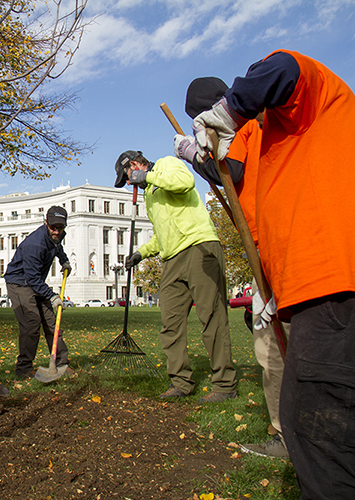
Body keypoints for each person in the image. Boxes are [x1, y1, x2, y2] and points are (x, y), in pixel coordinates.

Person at [189, 50, 355, 499]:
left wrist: (227, 113)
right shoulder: (272, 140)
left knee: (322, 438)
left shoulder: (311, 105)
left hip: (333, 286)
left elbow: (284, 68)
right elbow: (237, 184)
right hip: (304, 291)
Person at [175, 76, 288, 458]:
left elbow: (231, 173)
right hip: (268, 241)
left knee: (274, 344)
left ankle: (288, 433)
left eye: (198, 116)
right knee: (276, 339)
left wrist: (194, 156)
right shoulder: (251, 126)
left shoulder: (242, 128)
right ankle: (289, 430)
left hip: (276, 245)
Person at [114, 150, 237, 402]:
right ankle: (181, 381)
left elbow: (185, 183)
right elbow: (161, 234)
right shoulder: (150, 194)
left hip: (199, 246)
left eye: (126, 176)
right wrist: (141, 252)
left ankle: (225, 385)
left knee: (211, 318)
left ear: (134, 164)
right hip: (172, 258)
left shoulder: (167, 165)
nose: (128, 182)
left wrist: (146, 176)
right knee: (170, 322)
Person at [3, 206, 72, 379]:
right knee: (31, 322)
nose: (56, 231)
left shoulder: (56, 236)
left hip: (35, 281)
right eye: (53, 227)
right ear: (46, 222)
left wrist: (64, 261)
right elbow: (32, 278)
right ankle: (24, 369)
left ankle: (61, 364)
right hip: (19, 282)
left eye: (60, 228)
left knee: (52, 322)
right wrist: (52, 296)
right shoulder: (35, 244)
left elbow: (58, 247)